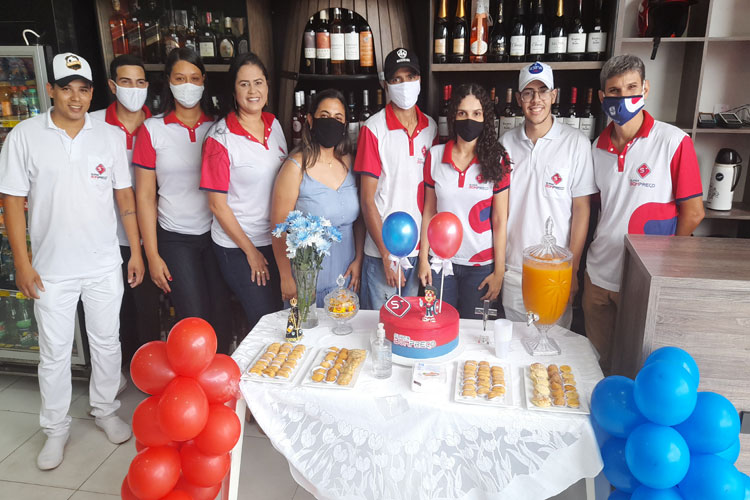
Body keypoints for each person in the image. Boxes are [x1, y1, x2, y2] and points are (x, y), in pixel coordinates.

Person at [0, 52, 142, 469]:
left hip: (101, 264)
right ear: (51, 90)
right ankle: (55, 429)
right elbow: (12, 202)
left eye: (83, 89)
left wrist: (133, 250)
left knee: (106, 342)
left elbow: (125, 199)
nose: (75, 98)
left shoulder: (109, 137)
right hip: (50, 271)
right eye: (67, 88)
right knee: (55, 353)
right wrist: (23, 265)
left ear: (92, 92)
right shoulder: (25, 136)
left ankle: (104, 410)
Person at [584, 54, 705, 371]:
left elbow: (693, 213)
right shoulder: (597, 147)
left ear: (645, 89)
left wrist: (664, 260)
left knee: (639, 365)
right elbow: (599, 208)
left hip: (643, 279)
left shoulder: (673, 141)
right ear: (602, 97)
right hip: (599, 274)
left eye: (631, 88)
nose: (623, 97)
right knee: (598, 362)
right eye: (614, 91)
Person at [133, 47, 232, 353]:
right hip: (175, 238)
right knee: (193, 317)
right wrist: (152, 255)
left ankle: (223, 387)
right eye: (180, 78)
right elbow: (146, 196)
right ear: (169, 82)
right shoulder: (152, 130)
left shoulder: (218, 127)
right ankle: (197, 389)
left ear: (203, 81)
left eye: (194, 77)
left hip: (216, 235)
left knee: (222, 315)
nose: (187, 85)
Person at [500, 62, 597, 328]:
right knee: (517, 350)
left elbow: (581, 210)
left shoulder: (576, 143)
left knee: (552, 353)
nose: (536, 100)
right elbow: (498, 212)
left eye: (543, 91)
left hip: (555, 271)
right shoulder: (505, 144)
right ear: (519, 99)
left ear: (554, 95)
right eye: (528, 93)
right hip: (514, 270)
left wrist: (573, 269)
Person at [199, 52, 285, 333]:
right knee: (264, 321)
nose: (253, 91)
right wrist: (250, 252)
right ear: (234, 90)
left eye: (258, 83)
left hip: (274, 239)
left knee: (282, 315)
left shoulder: (274, 126)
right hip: (238, 246)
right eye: (244, 84)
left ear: (267, 86)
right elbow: (216, 205)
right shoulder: (220, 138)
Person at [90, 54, 161, 365]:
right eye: (126, 82)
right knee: (110, 311)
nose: (134, 88)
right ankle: (113, 372)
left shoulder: (157, 125)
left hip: (147, 232)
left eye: (140, 82)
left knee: (147, 305)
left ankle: (144, 368)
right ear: (112, 85)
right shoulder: (92, 125)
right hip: (104, 235)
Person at [418, 83, 510, 319]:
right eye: (462, 113)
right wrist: (423, 260)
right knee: (437, 326)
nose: (469, 120)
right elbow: (429, 211)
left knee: (476, 336)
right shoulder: (435, 156)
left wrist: (499, 271)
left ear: (485, 118)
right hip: (440, 265)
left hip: (480, 267)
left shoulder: (498, 159)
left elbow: (500, 220)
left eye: (476, 114)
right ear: (453, 117)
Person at [355, 48, 437, 310]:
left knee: (409, 329)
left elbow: (430, 197)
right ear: (386, 84)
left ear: (420, 80)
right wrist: (386, 255)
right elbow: (367, 201)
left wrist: (424, 254)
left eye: (410, 76)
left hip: (417, 254)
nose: (405, 85)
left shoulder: (431, 127)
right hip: (382, 254)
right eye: (397, 79)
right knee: (381, 330)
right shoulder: (374, 128)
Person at [270, 89, 364, 306]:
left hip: (348, 278)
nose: (331, 122)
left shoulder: (351, 162)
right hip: (307, 279)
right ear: (310, 120)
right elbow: (278, 227)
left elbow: (359, 220)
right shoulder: (295, 168)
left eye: (338, 118)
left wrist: (359, 259)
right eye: (324, 116)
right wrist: (286, 277)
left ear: (345, 125)